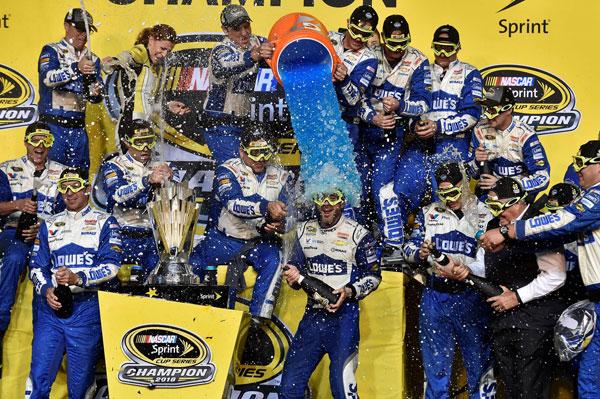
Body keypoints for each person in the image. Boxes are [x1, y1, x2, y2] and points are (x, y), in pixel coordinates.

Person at [481, 140, 600, 398]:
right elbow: (554, 233)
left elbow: (565, 219)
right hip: (592, 302)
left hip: (540, 317)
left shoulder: (598, 195)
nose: (576, 169)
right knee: (589, 380)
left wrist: (508, 231)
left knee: (589, 381)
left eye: (582, 164)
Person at [380, 24, 482, 251]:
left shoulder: (469, 73)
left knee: (448, 200)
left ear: (458, 48)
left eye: (448, 49)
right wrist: (414, 126)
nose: (443, 54)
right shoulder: (420, 68)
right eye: (438, 48)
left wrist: (440, 126)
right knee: (400, 190)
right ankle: (400, 250)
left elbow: (473, 114)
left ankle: (453, 255)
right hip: (420, 143)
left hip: (452, 145)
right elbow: (404, 107)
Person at [463, 177, 566, 398]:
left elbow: (556, 276)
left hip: (534, 321)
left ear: (517, 203)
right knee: (511, 389)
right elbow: (484, 266)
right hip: (502, 320)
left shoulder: (539, 223)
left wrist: (517, 297)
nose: (497, 214)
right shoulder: (493, 225)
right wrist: (463, 271)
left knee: (531, 390)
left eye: (500, 208)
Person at [28, 168, 122, 398]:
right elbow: (36, 267)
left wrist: (78, 278)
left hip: (85, 308)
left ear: (87, 188)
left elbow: (112, 267)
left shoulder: (106, 222)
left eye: (75, 186)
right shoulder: (48, 224)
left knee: (79, 387)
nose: (69, 193)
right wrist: (46, 289)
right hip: (50, 309)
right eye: (64, 187)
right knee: (39, 377)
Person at [403, 163, 493, 399]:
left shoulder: (484, 212)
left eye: (453, 192)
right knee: (436, 366)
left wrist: (470, 271)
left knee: (479, 364)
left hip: (471, 295)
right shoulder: (429, 212)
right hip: (435, 295)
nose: (449, 199)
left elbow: (494, 258)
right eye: (443, 194)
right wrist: (418, 253)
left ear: (463, 186)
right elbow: (409, 247)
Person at [280, 189, 381, 399]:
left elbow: (374, 277)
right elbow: (295, 275)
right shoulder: (302, 231)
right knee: (289, 388)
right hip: (313, 319)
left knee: (342, 389)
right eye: (320, 197)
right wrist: (293, 278)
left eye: (333, 199)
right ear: (314, 201)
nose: (326, 204)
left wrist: (350, 291)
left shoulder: (359, 234)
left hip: (344, 320)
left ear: (343, 202)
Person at [189, 124, 291, 319]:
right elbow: (233, 203)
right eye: (254, 153)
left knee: (274, 260)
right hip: (226, 240)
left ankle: (259, 319)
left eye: (265, 152)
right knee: (193, 263)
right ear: (242, 151)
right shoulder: (227, 170)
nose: (261, 159)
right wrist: (266, 207)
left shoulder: (282, 176)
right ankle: (190, 314)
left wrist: (283, 224)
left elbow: (291, 213)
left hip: (260, 242)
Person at [358, 14, 431, 238]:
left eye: (402, 43)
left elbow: (424, 103)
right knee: (357, 186)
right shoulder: (368, 55)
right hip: (362, 130)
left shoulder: (419, 60)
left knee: (382, 188)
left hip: (393, 133)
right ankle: (359, 236)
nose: (397, 49)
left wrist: (400, 106)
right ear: (383, 40)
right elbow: (353, 99)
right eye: (392, 43)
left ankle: (385, 239)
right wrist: (373, 117)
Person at [0, 122, 66, 366]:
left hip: (49, 235)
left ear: (50, 144)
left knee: (53, 270)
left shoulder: (62, 172)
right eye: (35, 140)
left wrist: (45, 227)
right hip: (13, 232)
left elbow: (70, 210)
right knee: (15, 258)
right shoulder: (7, 169)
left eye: (45, 141)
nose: (39, 146)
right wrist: (17, 205)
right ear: (26, 142)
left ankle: (50, 347)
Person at [97, 119, 172, 279]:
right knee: (116, 284)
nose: (145, 148)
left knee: (153, 287)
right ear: (126, 142)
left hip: (152, 238)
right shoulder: (114, 165)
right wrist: (147, 181)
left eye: (149, 142)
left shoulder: (161, 166)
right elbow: (117, 195)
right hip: (122, 235)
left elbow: (172, 203)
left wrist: (170, 183)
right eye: (139, 143)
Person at [202, 5, 275, 165]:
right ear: (225, 30)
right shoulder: (220, 50)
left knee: (252, 169)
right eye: (237, 29)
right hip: (219, 124)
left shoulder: (256, 42)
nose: (244, 33)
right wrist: (254, 55)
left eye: (246, 26)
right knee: (232, 169)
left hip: (244, 123)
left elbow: (278, 44)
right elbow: (223, 66)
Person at [329, 5, 379, 222]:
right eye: (356, 31)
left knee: (348, 183)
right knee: (316, 179)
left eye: (365, 35)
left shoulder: (369, 59)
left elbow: (353, 98)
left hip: (347, 125)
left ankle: (350, 230)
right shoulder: (327, 37)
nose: (359, 38)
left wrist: (344, 79)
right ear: (348, 23)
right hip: (318, 119)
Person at [37, 8, 103, 170]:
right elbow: (47, 79)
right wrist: (76, 68)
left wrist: (96, 90)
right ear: (67, 26)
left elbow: (95, 96)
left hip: (79, 129)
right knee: (51, 177)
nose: (83, 35)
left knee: (79, 177)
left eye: (87, 30)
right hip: (53, 126)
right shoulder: (52, 50)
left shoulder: (93, 58)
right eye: (80, 29)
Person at [102, 24, 180, 150]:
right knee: (131, 166)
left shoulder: (152, 68)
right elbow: (130, 56)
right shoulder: (142, 52)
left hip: (143, 126)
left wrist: (166, 106)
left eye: (168, 51)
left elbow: (146, 102)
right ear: (151, 40)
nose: (165, 54)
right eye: (162, 48)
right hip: (131, 125)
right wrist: (115, 61)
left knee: (142, 168)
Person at [470, 86, 550, 198]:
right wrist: (477, 161)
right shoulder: (479, 130)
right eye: (486, 109)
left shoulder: (525, 135)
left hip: (519, 195)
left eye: (492, 110)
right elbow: (470, 174)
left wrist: (503, 185)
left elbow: (543, 178)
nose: (487, 115)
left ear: (508, 109)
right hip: (492, 194)